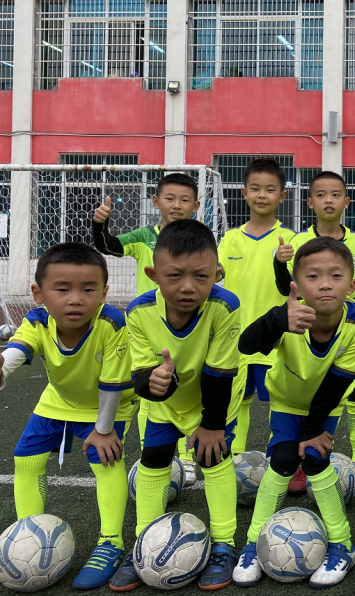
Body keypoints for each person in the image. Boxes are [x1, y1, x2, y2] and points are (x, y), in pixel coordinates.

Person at [233, 237, 355, 588]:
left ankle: (343, 544)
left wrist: (313, 429)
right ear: (296, 285)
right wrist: (275, 320)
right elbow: (246, 345)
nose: (325, 284)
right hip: (286, 400)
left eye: (336, 276)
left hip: (326, 404)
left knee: (314, 459)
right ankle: (253, 543)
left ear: (352, 286)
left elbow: (338, 380)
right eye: (313, 276)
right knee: (283, 459)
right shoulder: (288, 314)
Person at [109, 220, 245, 592]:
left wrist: (212, 425)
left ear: (216, 274)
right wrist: (153, 384)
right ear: (153, 275)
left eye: (201, 276)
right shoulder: (137, 312)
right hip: (167, 404)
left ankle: (224, 544)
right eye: (175, 276)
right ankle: (143, 541)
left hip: (214, 398)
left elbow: (219, 373)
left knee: (213, 457)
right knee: (154, 459)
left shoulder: (225, 305)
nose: (188, 286)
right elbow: (141, 374)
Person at [1, 243, 135, 590]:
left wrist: (103, 430)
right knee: (26, 458)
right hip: (58, 400)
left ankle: (111, 542)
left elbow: (113, 383)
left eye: (88, 290)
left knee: (106, 460)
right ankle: (29, 534)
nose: (75, 299)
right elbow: (18, 348)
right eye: (62, 289)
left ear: (103, 293)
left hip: (107, 404)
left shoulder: (111, 322)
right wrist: (2, 366)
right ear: (39, 294)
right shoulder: (37, 320)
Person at [274, 170, 355, 494]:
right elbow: (287, 289)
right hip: (309, 333)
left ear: (347, 201)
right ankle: (298, 460)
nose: (329, 201)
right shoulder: (297, 242)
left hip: (351, 335)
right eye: (321, 195)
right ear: (310, 202)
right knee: (307, 394)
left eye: (335, 194)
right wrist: (279, 265)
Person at [92, 173, 201, 483]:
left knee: (187, 391)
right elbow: (110, 246)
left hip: (188, 328)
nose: (176, 205)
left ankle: (186, 459)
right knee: (148, 391)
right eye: (170, 198)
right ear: (155, 201)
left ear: (195, 206)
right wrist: (100, 225)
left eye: (184, 200)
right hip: (147, 330)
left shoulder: (200, 239)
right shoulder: (143, 237)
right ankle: (150, 454)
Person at [217, 158, 295, 455]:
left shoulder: (291, 239)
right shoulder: (230, 239)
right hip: (235, 338)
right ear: (244, 192)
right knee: (236, 402)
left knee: (280, 404)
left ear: (282, 196)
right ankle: (235, 458)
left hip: (277, 339)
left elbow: (291, 287)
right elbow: (213, 275)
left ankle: (281, 460)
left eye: (270, 189)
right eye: (255, 188)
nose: (262, 195)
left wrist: (281, 263)